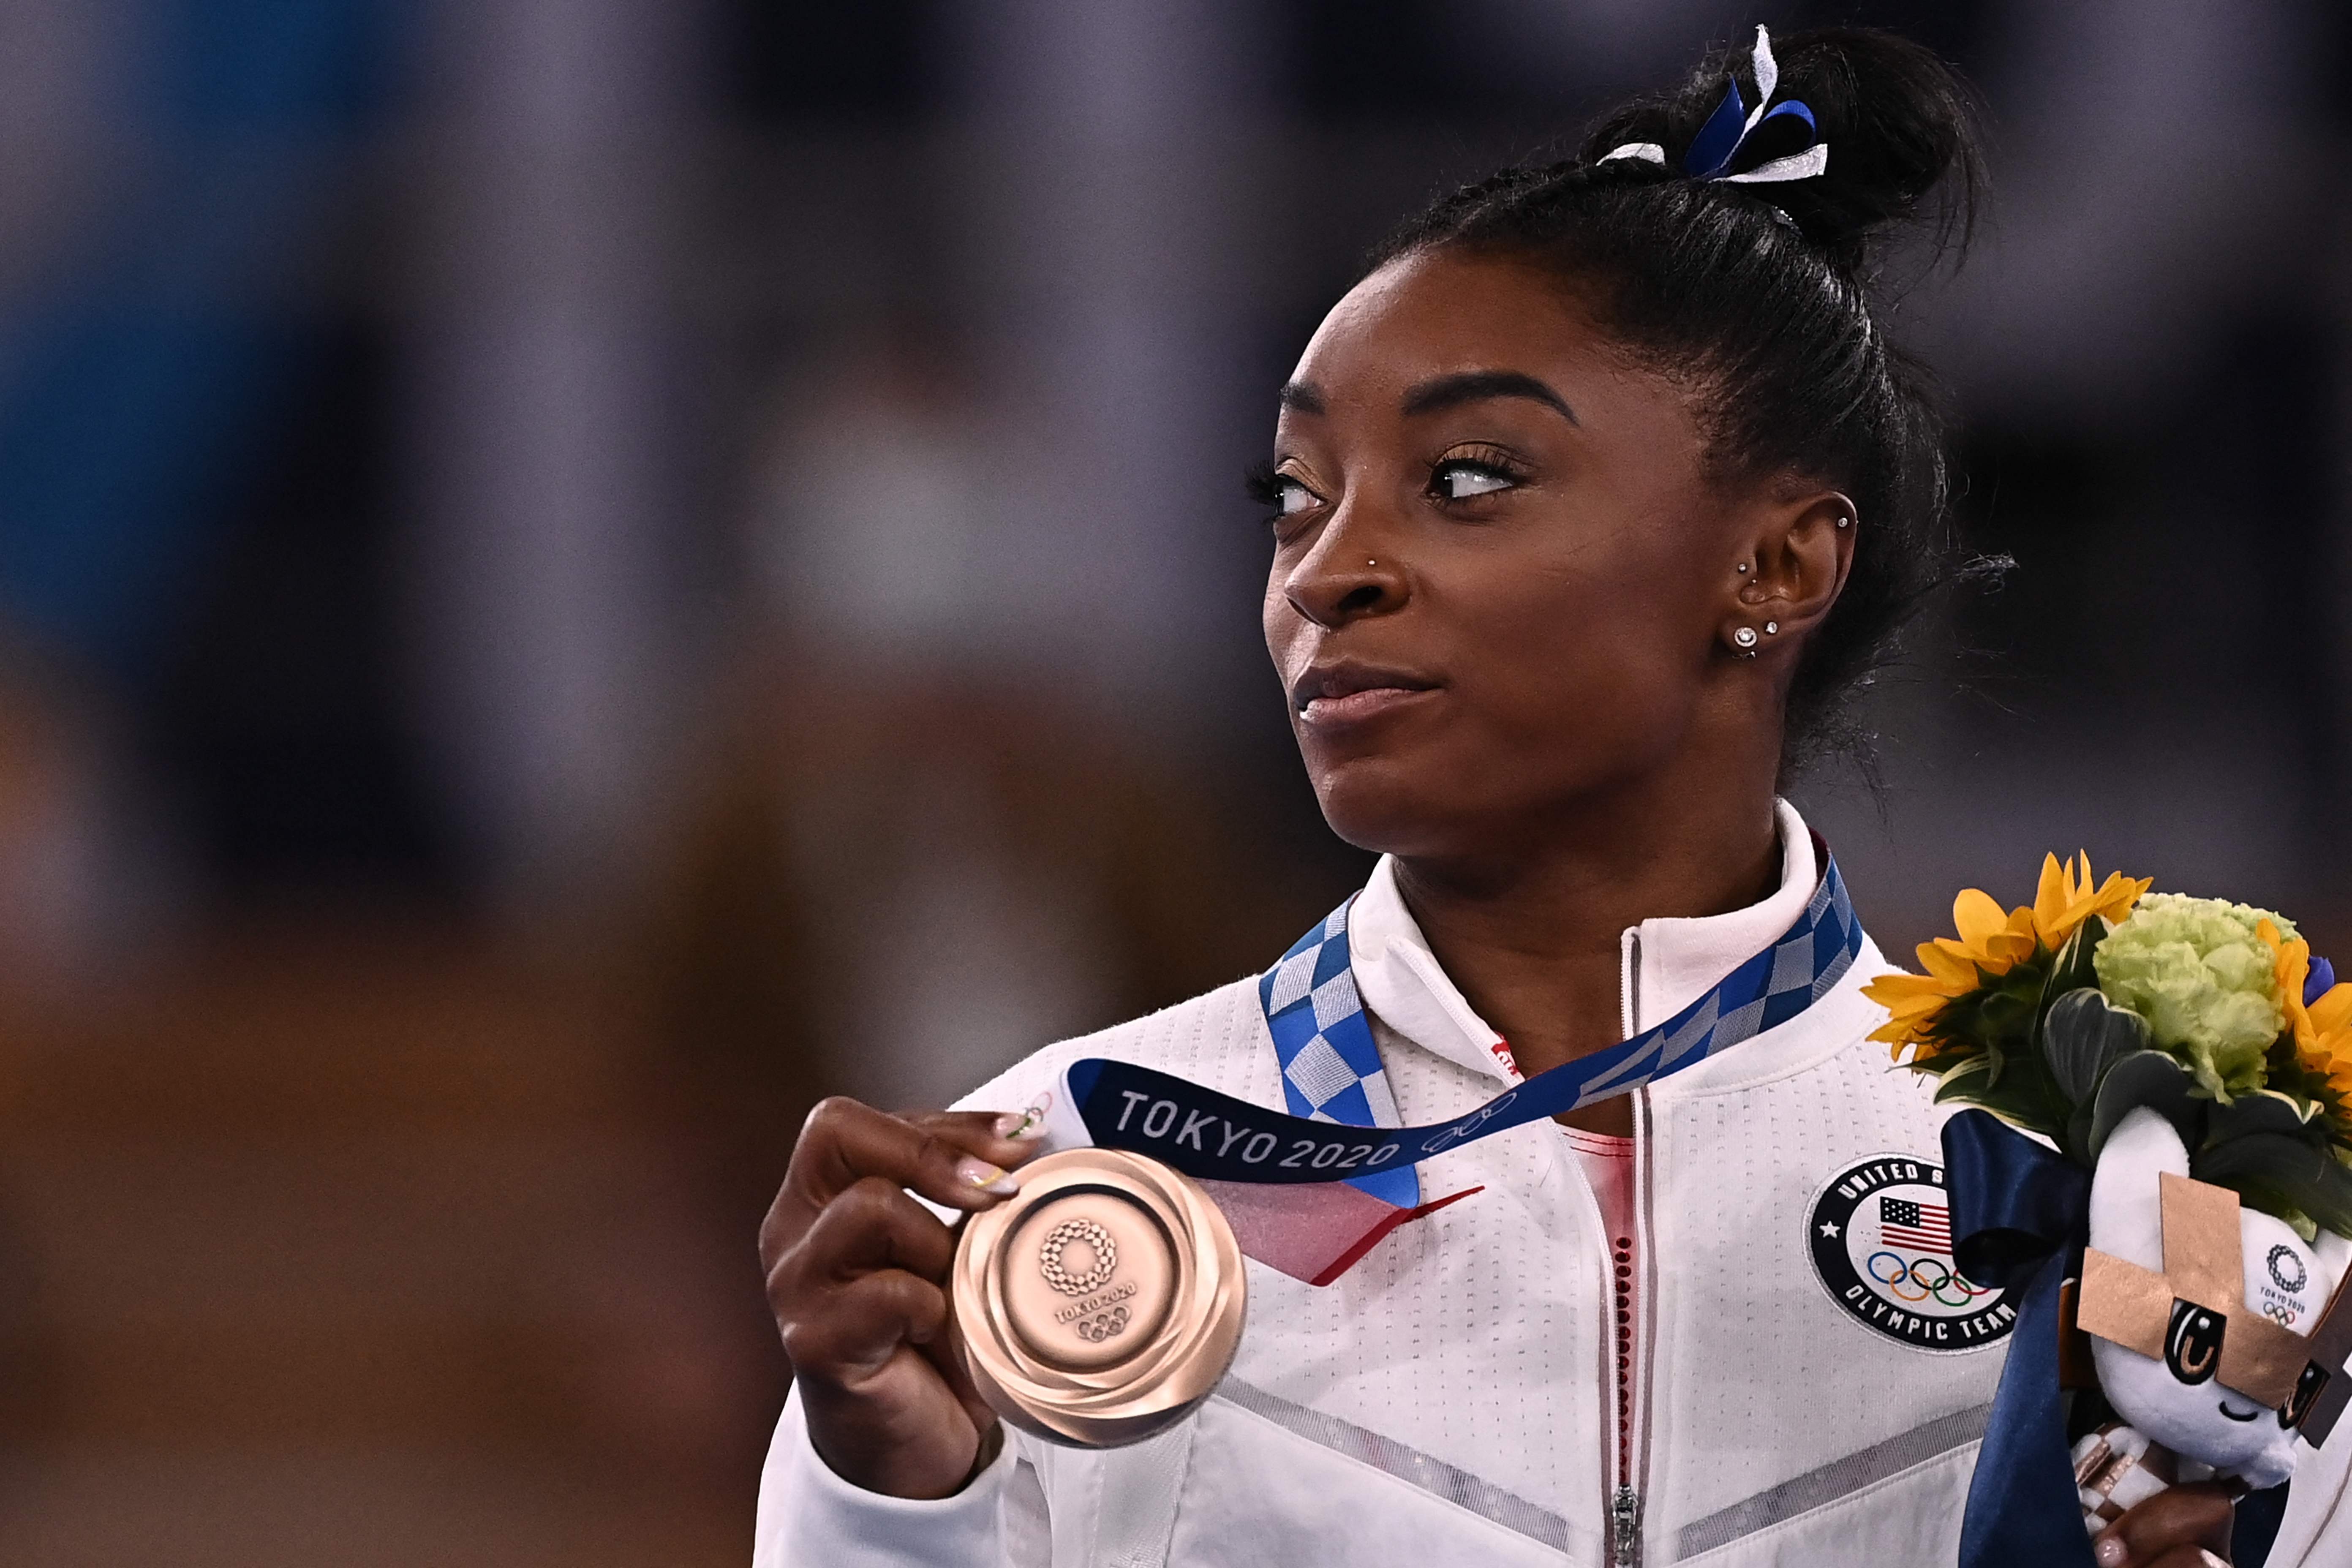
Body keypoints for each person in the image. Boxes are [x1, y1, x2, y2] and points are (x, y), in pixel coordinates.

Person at [750, 27, 2344, 1567]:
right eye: (1295, 498)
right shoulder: (1073, 1177)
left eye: (1469, 479)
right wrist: (894, 1506)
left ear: (1779, 563)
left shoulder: (2122, 1187)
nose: (1334, 570)